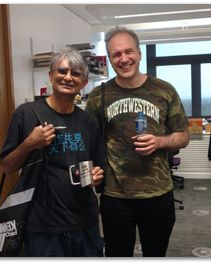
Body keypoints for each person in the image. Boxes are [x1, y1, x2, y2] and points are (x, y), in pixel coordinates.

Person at [85, 26, 190, 257]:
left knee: (155, 253)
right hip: (115, 197)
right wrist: (91, 171)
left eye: (128, 52)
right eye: (116, 54)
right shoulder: (98, 96)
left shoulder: (164, 90)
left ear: (139, 53)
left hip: (158, 194)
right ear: (110, 59)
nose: (124, 59)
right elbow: (89, 142)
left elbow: (183, 136)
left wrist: (160, 142)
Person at [0, 48, 105, 257]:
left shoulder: (89, 122)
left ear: (83, 83)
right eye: (62, 71)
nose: (68, 77)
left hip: (84, 222)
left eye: (75, 74)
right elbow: (6, 166)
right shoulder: (27, 113)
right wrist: (30, 143)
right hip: (42, 226)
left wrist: (97, 176)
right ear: (51, 76)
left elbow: (99, 168)